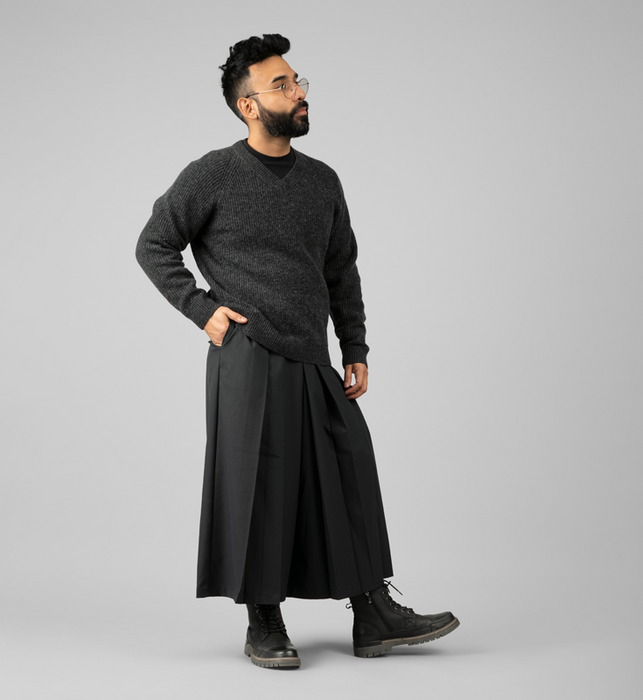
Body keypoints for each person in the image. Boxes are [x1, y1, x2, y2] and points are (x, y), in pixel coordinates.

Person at [135, 33, 459, 669]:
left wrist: (354, 345)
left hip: (313, 352)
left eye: (298, 80)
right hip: (250, 352)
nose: (299, 92)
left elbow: (341, 269)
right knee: (260, 484)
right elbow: (154, 244)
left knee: (348, 469)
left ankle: (372, 612)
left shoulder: (322, 180)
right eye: (281, 85)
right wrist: (202, 310)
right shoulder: (213, 173)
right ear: (249, 106)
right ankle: (264, 621)